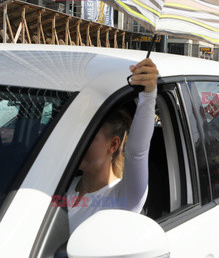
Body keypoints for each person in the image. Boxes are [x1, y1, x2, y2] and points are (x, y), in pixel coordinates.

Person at [66, 58, 158, 233]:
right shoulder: (60, 184)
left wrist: (148, 95)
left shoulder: (123, 199)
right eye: (78, 132)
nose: (79, 142)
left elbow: (137, 152)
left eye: (89, 136)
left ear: (114, 144)